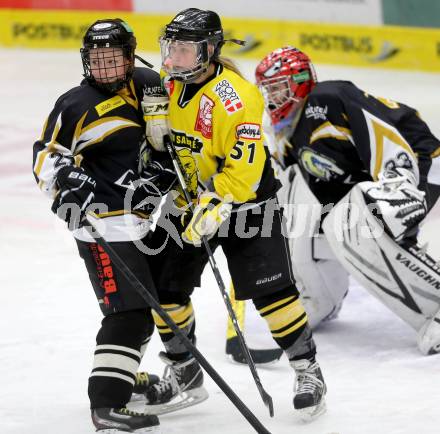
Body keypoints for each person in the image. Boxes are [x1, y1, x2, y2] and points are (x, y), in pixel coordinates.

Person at [142, 9, 327, 420]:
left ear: (209, 52)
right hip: (189, 199)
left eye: (184, 49)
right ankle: (184, 373)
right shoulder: (167, 85)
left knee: (272, 293)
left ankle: (307, 369)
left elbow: (242, 173)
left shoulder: (238, 97)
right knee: (162, 289)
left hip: (247, 202)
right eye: (170, 47)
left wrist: (215, 203)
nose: (173, 57)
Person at [32, 18, 178, 432]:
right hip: (101, 225)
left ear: (130, 58)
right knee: (127, 315)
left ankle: (122, 379)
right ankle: (107, 405)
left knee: (142, 310)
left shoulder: (150, 84)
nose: (104, 69)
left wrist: (166, 170)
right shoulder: (75, 103)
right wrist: (64, 184)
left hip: (142, 221)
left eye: (113, 59)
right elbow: (45, 155)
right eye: (96, 60)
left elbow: (163, 145)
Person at [254, 46, 440, 355]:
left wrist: (398, 183)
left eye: (278, 88)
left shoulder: (327, 99)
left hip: (415, 165)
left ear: (300, 81)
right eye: (268, 90)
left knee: (354, 220)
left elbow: (385, 132)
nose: (272, 98)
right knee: (287, 198)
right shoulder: (288, 131)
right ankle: (319, 296)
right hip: (368, 185)